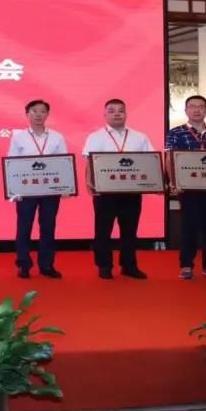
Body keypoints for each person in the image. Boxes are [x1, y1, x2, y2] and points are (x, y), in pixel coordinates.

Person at [81, 98, 154, 280]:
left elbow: (150, 162)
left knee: (130, 230)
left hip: (131, 192)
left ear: (126, 114)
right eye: (112, 111)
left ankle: (129, 265)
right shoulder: (95, 136)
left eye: (120, 110)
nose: (117, 114)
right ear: (105, 114)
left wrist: (154, 183)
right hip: (104, 192)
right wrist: (89, 183)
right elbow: (89, 162)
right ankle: (104, 266)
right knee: (103, 230)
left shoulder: (140, 137)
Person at [166, 95, 206, 281]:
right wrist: (173, 182)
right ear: (186, 110)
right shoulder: (176, 132)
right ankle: (186, 266)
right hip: (188, 188)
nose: (196, 110)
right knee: (189, 227)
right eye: (192, 106)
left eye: (201, 106)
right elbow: (169, 159)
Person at [7, 99, 67, 279]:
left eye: (42, 111)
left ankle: (46, 265)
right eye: (34, 111)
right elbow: (12, 163)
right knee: (24, 227)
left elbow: (64, 163)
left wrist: (65, 186)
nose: (38, 114)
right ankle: (23, 264)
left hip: (50, 190)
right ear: (27, 114)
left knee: (48, 227)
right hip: (26, 190)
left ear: (47, 114)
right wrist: (13, 190)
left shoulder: (57, 136)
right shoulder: (19, 137)